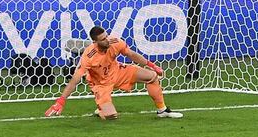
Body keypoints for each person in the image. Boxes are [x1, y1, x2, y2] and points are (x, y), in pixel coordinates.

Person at [44, 26, 183, 120]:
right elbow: (75, 80)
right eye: (103, 39)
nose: (107, 39)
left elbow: (131, 54)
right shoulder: (88, 56)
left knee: (151, 76)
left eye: (107, 36)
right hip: (100, 84)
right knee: (111, 117)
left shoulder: (114, 42)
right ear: (95, 42)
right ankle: (101, 109)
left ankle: (162, 110)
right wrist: (60, 101)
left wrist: (152, 65)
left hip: (118, 72)